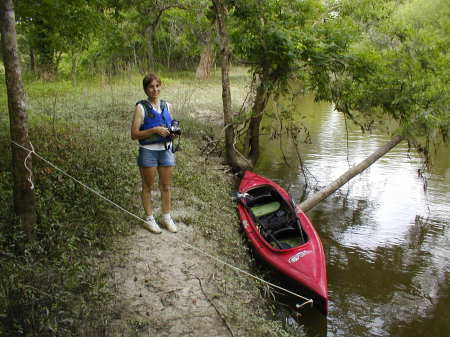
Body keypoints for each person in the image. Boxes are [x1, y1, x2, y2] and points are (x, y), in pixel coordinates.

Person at [130, 73, 177, 233]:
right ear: (145, 89)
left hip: (166, 150)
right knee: (147, 186)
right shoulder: (141, 107)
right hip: (148, 152)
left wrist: (174, 131)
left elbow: (172, 126)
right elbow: (134, 134)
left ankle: (166, 217)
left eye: (157, 86)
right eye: (151, 86)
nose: (155, 89)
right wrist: (154, 130)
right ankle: (149, 219)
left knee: (166, 186)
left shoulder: (168, 106)